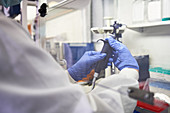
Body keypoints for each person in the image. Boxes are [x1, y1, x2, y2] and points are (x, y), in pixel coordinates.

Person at [0, 2, 139, 113]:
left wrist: (70, 75)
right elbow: (88, 109)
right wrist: (129, 72)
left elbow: (30, 88)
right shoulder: (4, 33)